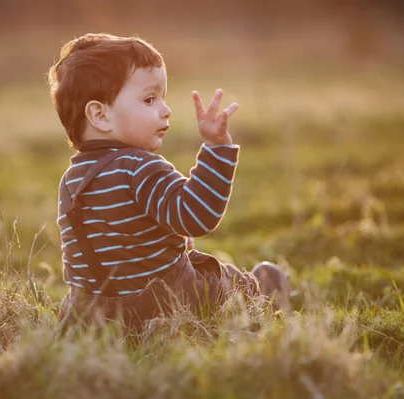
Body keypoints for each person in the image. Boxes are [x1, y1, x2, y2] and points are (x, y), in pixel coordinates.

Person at [47, 33, 289, 331]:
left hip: (94, 315)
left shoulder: (71, 180)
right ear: (100, 115)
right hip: (164, 303)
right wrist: (217, 149)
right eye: (150, 99)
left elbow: (113, 243)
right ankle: (262, 294)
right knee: (225, 283)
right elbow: (197, 217)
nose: (166, 109)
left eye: (163, 98)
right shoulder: (140, 167)